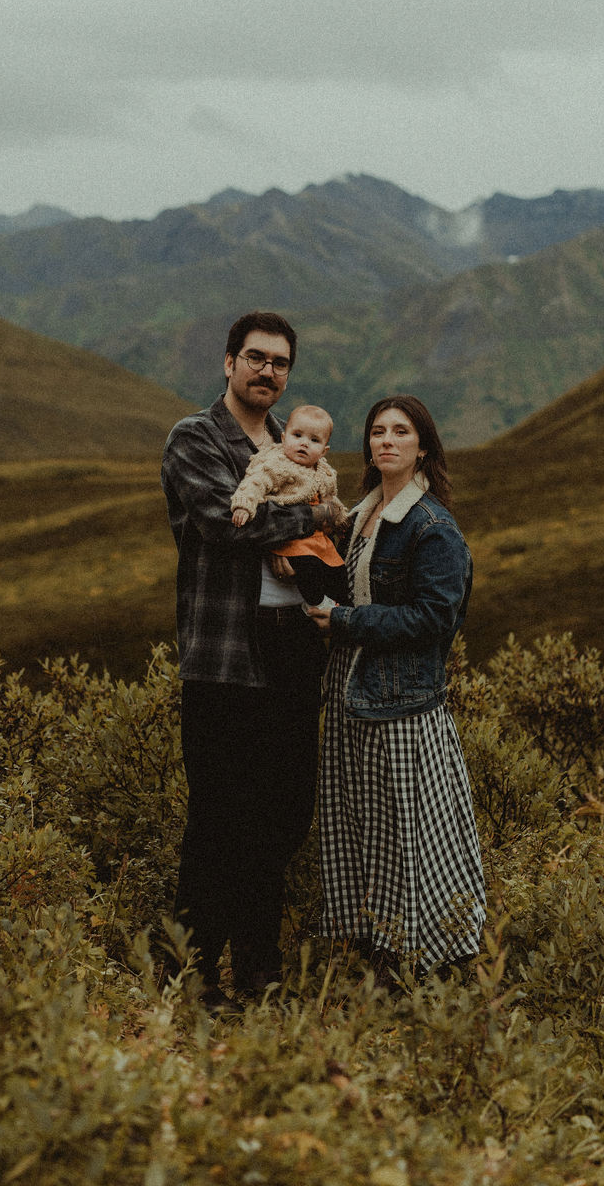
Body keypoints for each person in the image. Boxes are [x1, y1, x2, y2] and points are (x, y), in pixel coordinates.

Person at [160, 311, 338, 1009]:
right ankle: (193, 974)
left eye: (280, 363)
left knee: (282, 815)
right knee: (218, 819)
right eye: (256, 358)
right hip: (225, 658)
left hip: (292, 654)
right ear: (228, 362)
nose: (268, 371)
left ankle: (259, 969)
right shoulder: (195, 439)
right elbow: (225, 527)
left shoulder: (297, 445)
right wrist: (318, 519)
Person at [306, 395, 486, 978]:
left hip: (402, 707)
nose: (386, 440)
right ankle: (378, 948)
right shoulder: (362, 514)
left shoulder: (432, 527)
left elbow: (436, 619)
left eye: (400, 432)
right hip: (355, 696)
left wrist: (346, 623)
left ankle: (426, 956)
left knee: (408, 838)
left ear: (423, 447)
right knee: (363, 830)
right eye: (377, 431)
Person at [230, 403, 350, 606]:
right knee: (309, 568)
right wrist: (244, 504)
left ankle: (341, 605)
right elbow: (255, 482)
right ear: (284, 437)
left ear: (323, 450)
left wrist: (342, 522)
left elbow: (331, 501)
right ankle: (317, 604)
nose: (304, 444)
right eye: (297, 436)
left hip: (318, 539)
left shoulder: (324, 471)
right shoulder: (276, 464)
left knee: (337, 569)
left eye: (314, 440)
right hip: (290, 537)